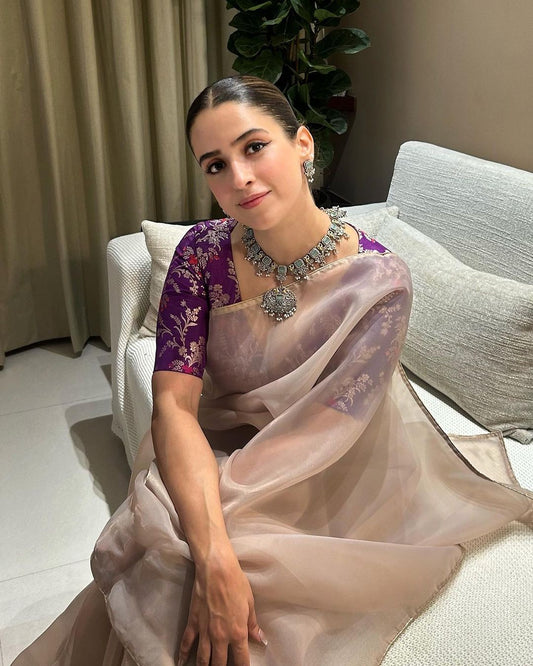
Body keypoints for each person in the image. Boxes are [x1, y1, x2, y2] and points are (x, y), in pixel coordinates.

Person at [14, 75, 532, 666]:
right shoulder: (201, 255)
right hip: (222, 438)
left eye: (254, 147)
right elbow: (175, 406)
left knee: (177, 561)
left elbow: (324, 437)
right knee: (171, 544)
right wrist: (212, 550)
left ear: (303, 144)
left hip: (332, 466)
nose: (238, 177)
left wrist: (222, 532)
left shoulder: (379, 283)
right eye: (215, 164)